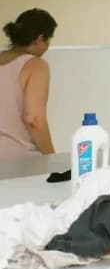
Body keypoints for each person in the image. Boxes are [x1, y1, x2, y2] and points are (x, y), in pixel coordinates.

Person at [0, 8, 57, 159]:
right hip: (19, 161)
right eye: (48, 40)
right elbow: (34, 118)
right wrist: (52, 158)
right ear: (39, 39)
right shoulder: (36, 66)